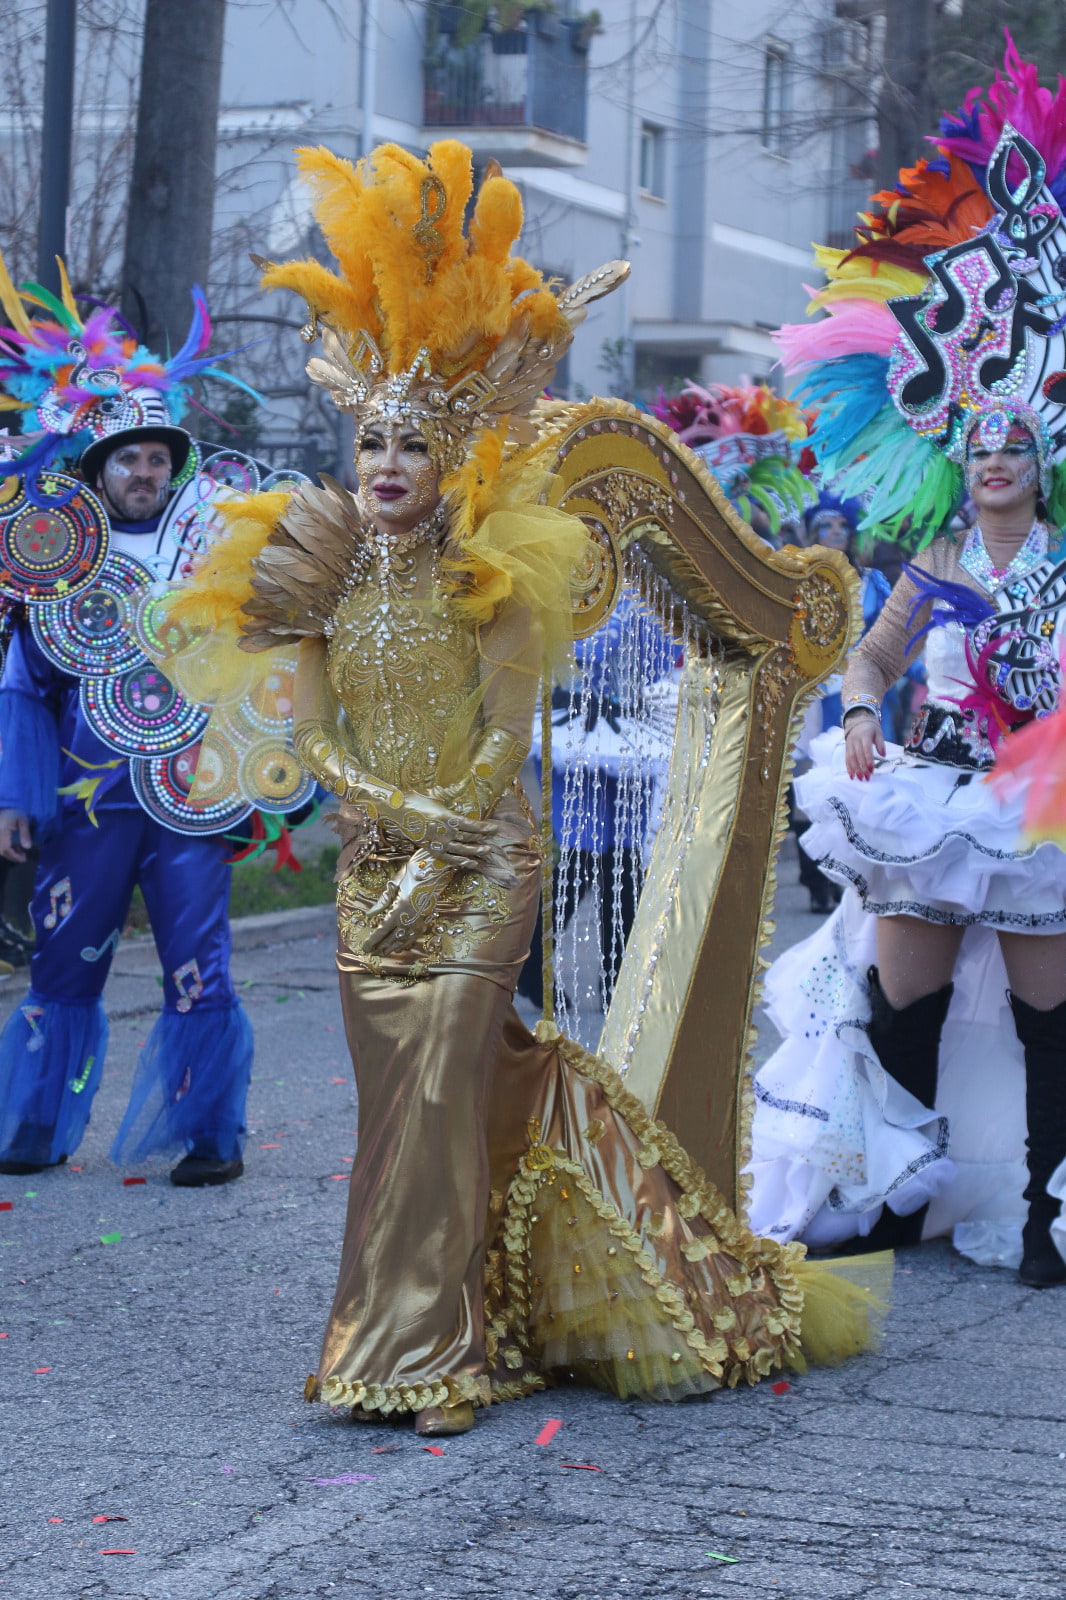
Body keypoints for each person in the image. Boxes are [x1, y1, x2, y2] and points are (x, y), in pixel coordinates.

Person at [173, 139, 883, 1438]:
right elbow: (318, 736)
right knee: (400, 1111)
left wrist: (440, 833)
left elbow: (504, 742)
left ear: (447, 460)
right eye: (371, 439)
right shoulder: (318, 571)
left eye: (412, 444)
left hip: (482, 865)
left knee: (442, 1092)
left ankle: (426, 1355)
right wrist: (386, 822)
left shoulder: (492, 577)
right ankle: (433, 1317)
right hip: (379, 872)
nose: (386, 461)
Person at [748, 43, 1066, 1289]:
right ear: (958, 462)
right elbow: (871, 655)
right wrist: (865, 715)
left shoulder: (1059, 560)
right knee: (901, 1008)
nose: (994, 462)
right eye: (978, 448)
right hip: (930, 805)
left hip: (1038, 807)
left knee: (1050, 1022)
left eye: (1014, 449)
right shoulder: (931, 557)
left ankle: (1047, 1215)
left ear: (1040, 467)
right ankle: (892, 1193)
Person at [0, 277, 260, 1184]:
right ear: (98, 470)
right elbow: (24, 687)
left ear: (172, 468)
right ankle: (35, 1124)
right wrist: (17, 798)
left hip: (191, 793)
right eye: (127, 461)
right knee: (64, 958)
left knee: (199, 964)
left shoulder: (219, 551)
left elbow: (263, 667)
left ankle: (210, 1134)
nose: (143, 473)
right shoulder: (59, 560)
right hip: (88, 797)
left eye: (156, 459)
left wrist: (253, 773)